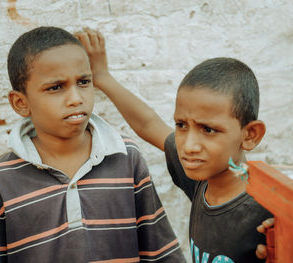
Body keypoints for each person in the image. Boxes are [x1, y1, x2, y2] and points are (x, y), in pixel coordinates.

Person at [0, 26, 186, 263]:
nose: (76, 98)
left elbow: (161, 253)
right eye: (55, 87)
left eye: (83, 82)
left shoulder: (125, 158)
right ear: (21, 102)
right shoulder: (0, 180)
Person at [76, 29, 273, 263]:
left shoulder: (268, 214)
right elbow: (149, 124)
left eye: (208, 130)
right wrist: (102, 77)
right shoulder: (201, 182)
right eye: (181, 125)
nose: (188, 146)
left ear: (250, 135)